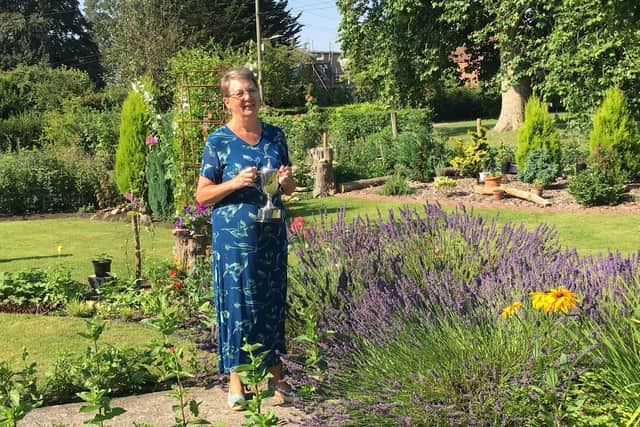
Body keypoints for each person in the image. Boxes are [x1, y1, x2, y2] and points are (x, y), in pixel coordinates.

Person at [195, 67, 296, 410]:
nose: (247, 97)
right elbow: (202, 196)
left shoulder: (276, 136)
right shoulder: (218, 141)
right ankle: (236, 380)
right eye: (238, 93)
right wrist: (235, 183)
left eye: (250, 90)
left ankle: (277, 374)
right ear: (227, 102)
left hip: (271, 233)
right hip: (233, 240)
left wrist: (284, 184)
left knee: (271, 302)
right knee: (239, 306)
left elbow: (290, 187)